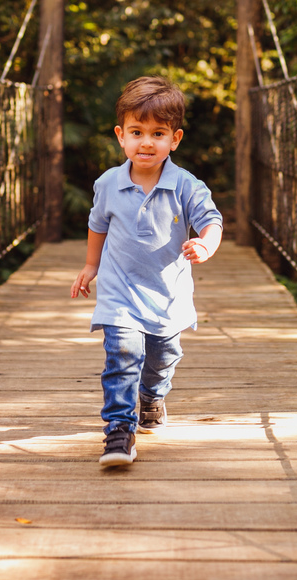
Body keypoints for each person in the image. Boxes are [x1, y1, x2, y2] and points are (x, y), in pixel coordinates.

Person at [70, 76, 223, 467]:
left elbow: (211, 220)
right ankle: (119, 432)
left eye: (158, 133)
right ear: (121, 136)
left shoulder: (186, 185)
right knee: (122, 354)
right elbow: (97, 225)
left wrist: (205, 242)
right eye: (137, 132)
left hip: (166, 295)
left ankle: (153, 396)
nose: (147, 142)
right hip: (120, 293)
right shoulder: (107, 183)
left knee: (162, 357)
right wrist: (91, 265)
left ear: (175, 139)